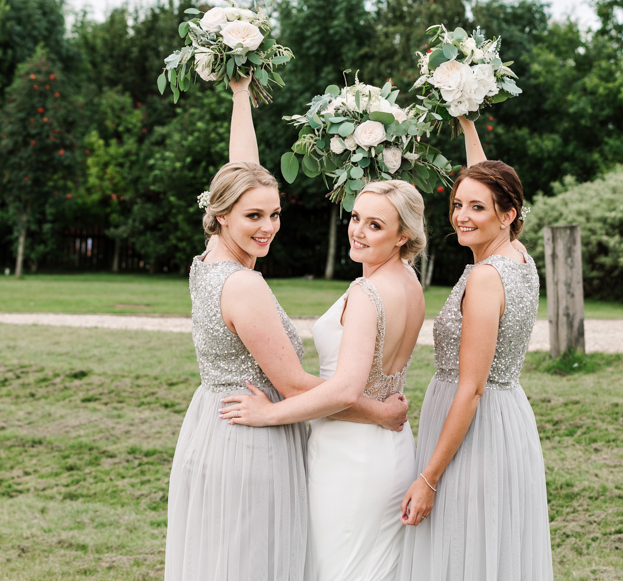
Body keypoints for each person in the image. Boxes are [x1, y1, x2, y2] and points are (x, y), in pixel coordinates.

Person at [165, 75, 407, 581]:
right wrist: (378, 413)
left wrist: (239, 95)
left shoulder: (208, 260)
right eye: (254, 215)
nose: (268, 227)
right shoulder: (245, 285)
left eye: (274, 214)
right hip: (253, 437)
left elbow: (241, 170)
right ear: (222, 214)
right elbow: (296, 385)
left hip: (213, 423)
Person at [220, 180, 427, 581]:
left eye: (375, 225)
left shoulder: (368, 293)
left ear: (403, 236)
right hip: (392, 448)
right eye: (356, 218)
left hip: (348, 455)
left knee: (337, 568)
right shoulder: (411, 284)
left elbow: (347, 389)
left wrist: (270, 413)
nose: (358, 231)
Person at [397, 115, 553, 580]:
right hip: (509, 420)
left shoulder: (486, 278)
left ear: (508, 216)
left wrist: (428, 478)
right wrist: (465, 116)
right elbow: (487, 180)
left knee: (463, 550)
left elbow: (471, 389)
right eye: (458, 204)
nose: (462, 216)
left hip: (473, 432)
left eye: (477, 208)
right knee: (493, 550)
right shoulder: (518, 258)